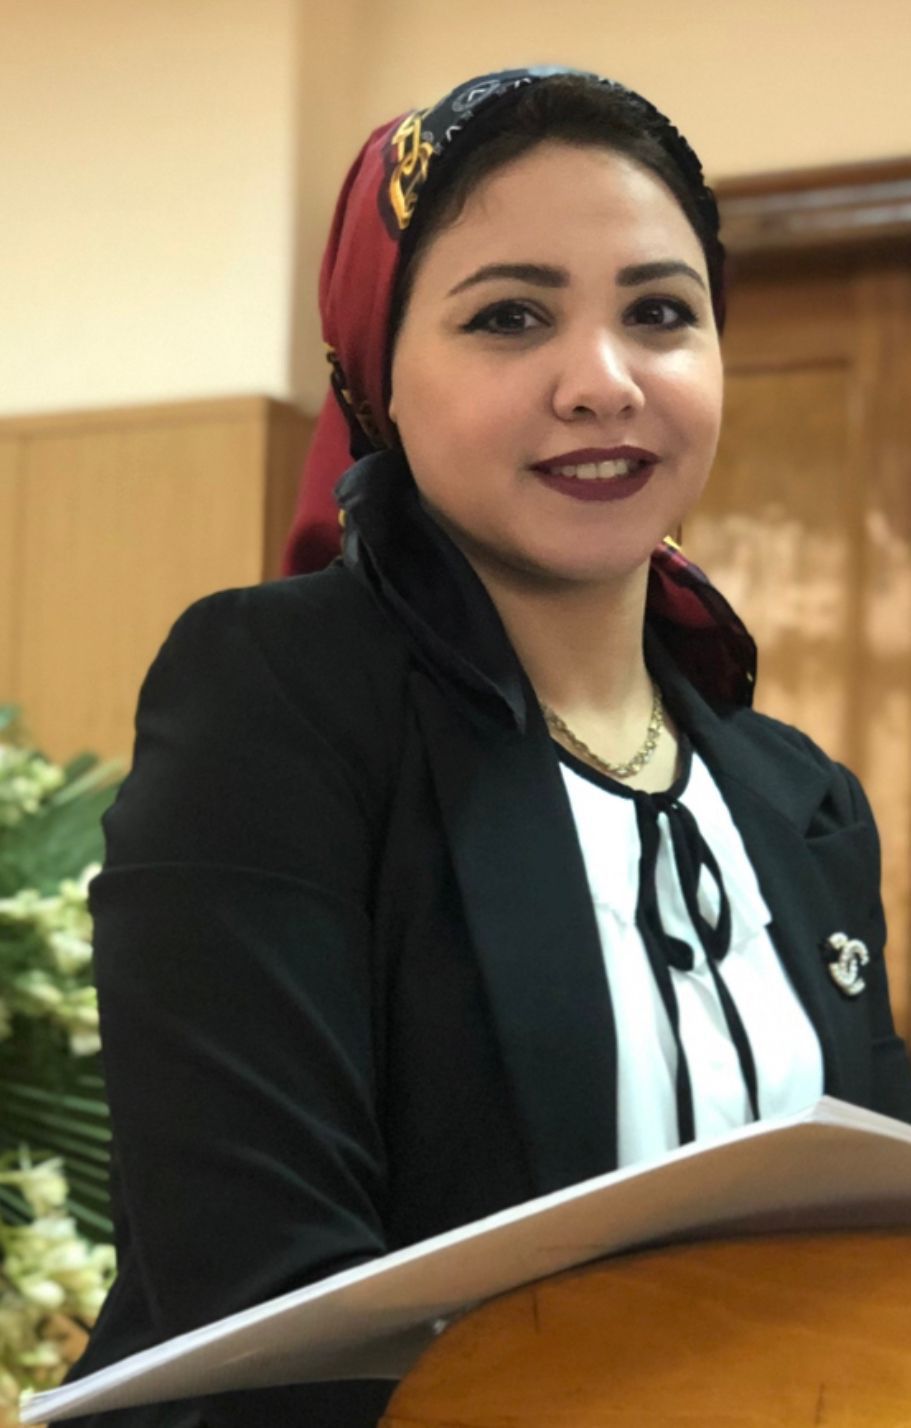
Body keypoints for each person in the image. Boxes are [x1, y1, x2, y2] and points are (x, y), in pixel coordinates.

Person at [68, 67, 911, 1428]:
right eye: (511, 316)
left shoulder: (800, 798)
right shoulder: (275, 698)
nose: (604, 382)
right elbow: (267, 1315)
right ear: (378, 373)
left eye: (661, 312)